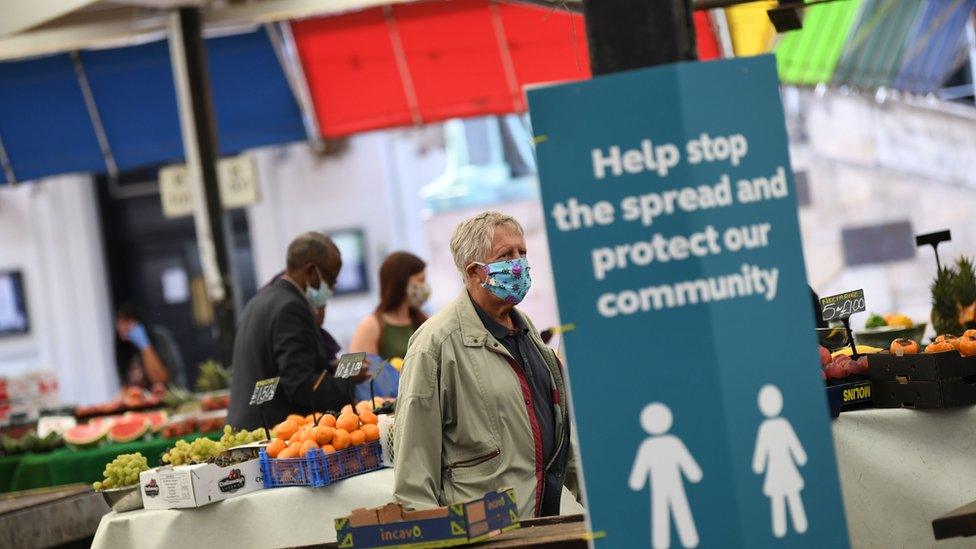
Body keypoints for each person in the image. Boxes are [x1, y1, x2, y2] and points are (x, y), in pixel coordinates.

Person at [393, 211, 571, 519]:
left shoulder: (523, 327)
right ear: (475, 271)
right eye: (506, 255)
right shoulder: (436, 344)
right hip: (485, 529)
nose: (519, 264)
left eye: (522, 252)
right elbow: (414, 464)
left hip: (543, 520)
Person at [227, 232, 368, 430]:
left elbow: (282, 367)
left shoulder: (259, 301)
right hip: (273, 435)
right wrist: (348, 380)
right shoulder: (290, 308)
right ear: (311, 271)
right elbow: (300, 386)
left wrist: (330, 369)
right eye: (331, 280)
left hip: (252, 429)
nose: (333, 289)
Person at [349, 252, 429, 361]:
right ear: (402, 282)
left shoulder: (423, 320)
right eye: (420, 280)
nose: (424, 286)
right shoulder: (371, 325)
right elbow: (359, 374)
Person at [115, 303, 186, 389]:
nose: (122, 326)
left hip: (168, 395)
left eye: (127, 321)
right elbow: (126, 385)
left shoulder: (160, 338)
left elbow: (160, 380)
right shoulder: (123, 348)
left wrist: (145, 346)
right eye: (120, 321)